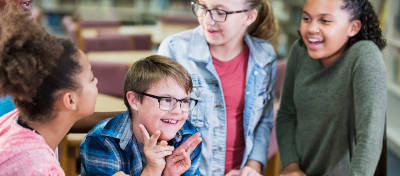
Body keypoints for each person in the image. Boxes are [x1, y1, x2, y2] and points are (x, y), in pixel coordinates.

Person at [158, 0, 278, 175]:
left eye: (221, 12)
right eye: (203, 7)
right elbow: (156, 125)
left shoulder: (264, 56)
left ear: (249, 17)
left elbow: (263, 121)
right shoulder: (174, 50)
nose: (207, 19)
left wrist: (253, 166)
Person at [276, 0, 387, 175]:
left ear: (354, 27)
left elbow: (370, 138)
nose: (311, 28)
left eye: (325, 20)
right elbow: (286, 115)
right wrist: (291, 167)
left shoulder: (364, 56)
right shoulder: (299, 50)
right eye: (306, 18)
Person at [0, 3, 98, 175]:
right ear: (70, 100)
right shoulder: (44, 170)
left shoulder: (10, 122)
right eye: (91, 79)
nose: (96, 82)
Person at [80, 55, 203, 176]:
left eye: (185, 101)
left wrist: (170, 175)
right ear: (134, 100)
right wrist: (152, 170)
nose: (177, 111)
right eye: (166, 100)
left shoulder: (187, 139)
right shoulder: (102, 142)